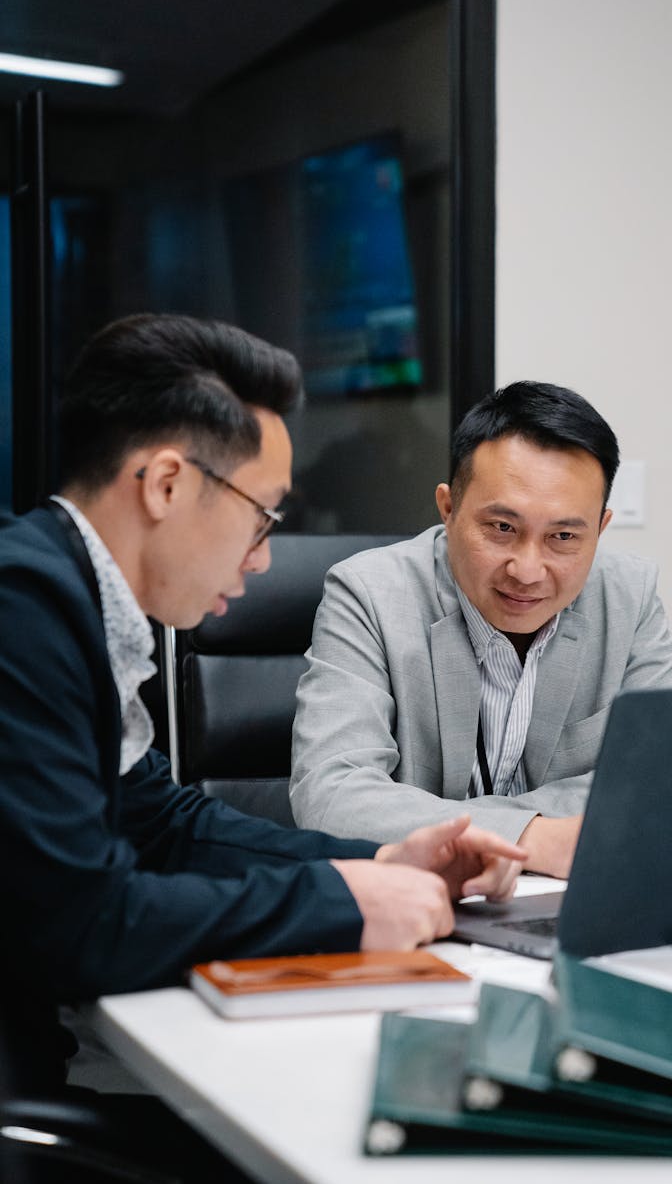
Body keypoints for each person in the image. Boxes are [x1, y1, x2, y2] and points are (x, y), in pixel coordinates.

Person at [0, 313, 524, 1104]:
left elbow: (160, 823)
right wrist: (338, 906)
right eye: (263, 513)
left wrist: (372, 864)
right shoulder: (23, 609)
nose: (264, 555)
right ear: (166, 483)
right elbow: (87, 926)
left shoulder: (70, 599)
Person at [290, 381, 672, 879]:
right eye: (502, 528)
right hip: (421, 903)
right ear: (448, 508)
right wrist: (534, 837)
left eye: (563, 537)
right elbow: (330, 794)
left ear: (601, 529)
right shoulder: (369, 593)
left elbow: (666, 778)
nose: (527, 569)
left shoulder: (629, 596)